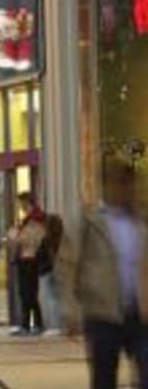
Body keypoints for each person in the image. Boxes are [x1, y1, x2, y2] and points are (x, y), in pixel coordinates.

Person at [60, 159, 148, 389]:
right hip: (102, 314)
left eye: (129, 182)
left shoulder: (141, 222)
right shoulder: (89, 222)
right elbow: (68, 265)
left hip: (140, 314)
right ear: (106, 185)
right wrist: (71, 309)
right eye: (119, 182)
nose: (125, 188)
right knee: (104, 377)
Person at [7, 192, 48, 336]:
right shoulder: (29, 220)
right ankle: (33, 324)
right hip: (26, 259)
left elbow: (25, 239)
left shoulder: (35, 220)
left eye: (22, 204)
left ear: (28, 203)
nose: (21, 207)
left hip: (29, 259)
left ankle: (30, 325)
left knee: (28, 294)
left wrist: (15, 235)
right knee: (28, 294)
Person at [40, 212, 65, 335]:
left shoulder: (46, 240)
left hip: (47, 271)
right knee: (60, 299)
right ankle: (60, 324)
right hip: (61, 271)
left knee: (50, 299)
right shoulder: (64, 239)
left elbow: (39, 256)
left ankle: (54, 326)